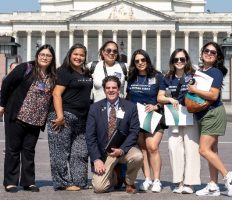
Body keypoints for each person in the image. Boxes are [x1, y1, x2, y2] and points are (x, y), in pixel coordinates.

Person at [0, 44, 57, 193]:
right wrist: (3, 104)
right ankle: (10, 182)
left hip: (36, 119)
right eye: (42, 54)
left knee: (29, 150)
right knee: (13, 149)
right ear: (37, 55)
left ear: (52, 58)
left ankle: (28, 181)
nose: (45, 57)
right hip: (18, 115)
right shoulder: (26, 68)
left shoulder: (52, 75)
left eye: (48, 55)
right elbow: (6, 83)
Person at [189, 42, 232, 197]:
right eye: (206, 50)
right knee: (212, 151)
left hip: (212, 113)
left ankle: (228, 176)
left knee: (203, 149)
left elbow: (214, 95)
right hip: (204, 114)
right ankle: (213, 185)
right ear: (202, 52)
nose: (209, 53)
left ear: (217, 57)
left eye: (213, 52)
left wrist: (193, 89)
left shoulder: (215, 72)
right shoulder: (201, 71)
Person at [85, 75, 143, 194]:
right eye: (108, 88)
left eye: (114, 87)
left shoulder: (130, 107)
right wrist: (96, 159)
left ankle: (129, 181)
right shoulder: (94, 108)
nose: (111, 90)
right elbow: (90, 137)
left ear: (119, 89)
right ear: (104, 89)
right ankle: (115, 177)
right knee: (99, 188)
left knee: (138, 156)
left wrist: (122, 150)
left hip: (124, 149)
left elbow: (134, 131)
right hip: (105, 153)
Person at [47, 43, 93, 191]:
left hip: (81, 118)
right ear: (70, 54)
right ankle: (62, 183)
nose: (78, 57)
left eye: (82, 55)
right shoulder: (64, 71)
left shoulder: (85, 72)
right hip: (64, 115)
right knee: (60, 151)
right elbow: (56, 93)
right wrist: (60, 116)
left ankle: (80, 181)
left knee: (80, 151)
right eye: (76, 54)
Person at [157, 48, 200, 194]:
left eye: (182, 59)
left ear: (186, 60)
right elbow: (160, 97)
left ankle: (190, 182)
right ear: (172, 62)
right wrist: (170, 99)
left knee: (191, 148)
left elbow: (200, 92)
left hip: (191, 115)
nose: (179, 62)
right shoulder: (167, 77)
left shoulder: (193, 75)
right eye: (176, 60)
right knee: (174, 148)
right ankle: (178, 181)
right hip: (174, 116)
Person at [126, 49, 164, 193]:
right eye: (137, 61)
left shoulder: (157, 76)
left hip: (153, 116)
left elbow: (164, 96)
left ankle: (157, 180)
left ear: (147, 60)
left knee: (152, 146)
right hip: (137, 117)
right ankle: (147, 178)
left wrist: (156, 106)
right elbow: (128, 97)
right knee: (142, 150)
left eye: (143, 60)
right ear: (134, 63)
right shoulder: (131, 77)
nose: (140, 63)